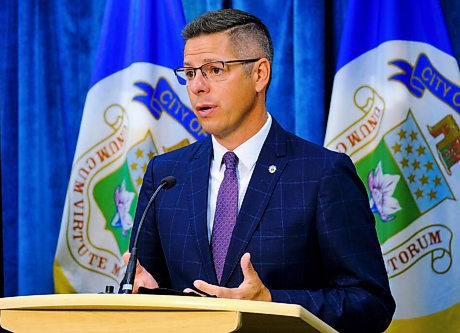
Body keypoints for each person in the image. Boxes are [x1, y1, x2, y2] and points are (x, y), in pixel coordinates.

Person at [124, 8, 395, 332]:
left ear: (259, 74)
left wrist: (271, 303)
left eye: (213, 69)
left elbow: (370, 302)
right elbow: (150, 287)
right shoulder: (166, 175)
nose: (197, 86)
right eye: (190, 72)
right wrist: (145, 295)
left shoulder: (323, 174)